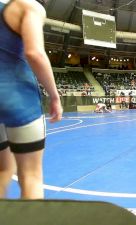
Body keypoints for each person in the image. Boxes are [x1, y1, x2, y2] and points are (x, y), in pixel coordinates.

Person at [0, 0, 63, 199]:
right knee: (31, 177)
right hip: (16, 99)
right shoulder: (30, 7)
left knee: (2, 170)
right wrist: (54, 95)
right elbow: (34, 53)